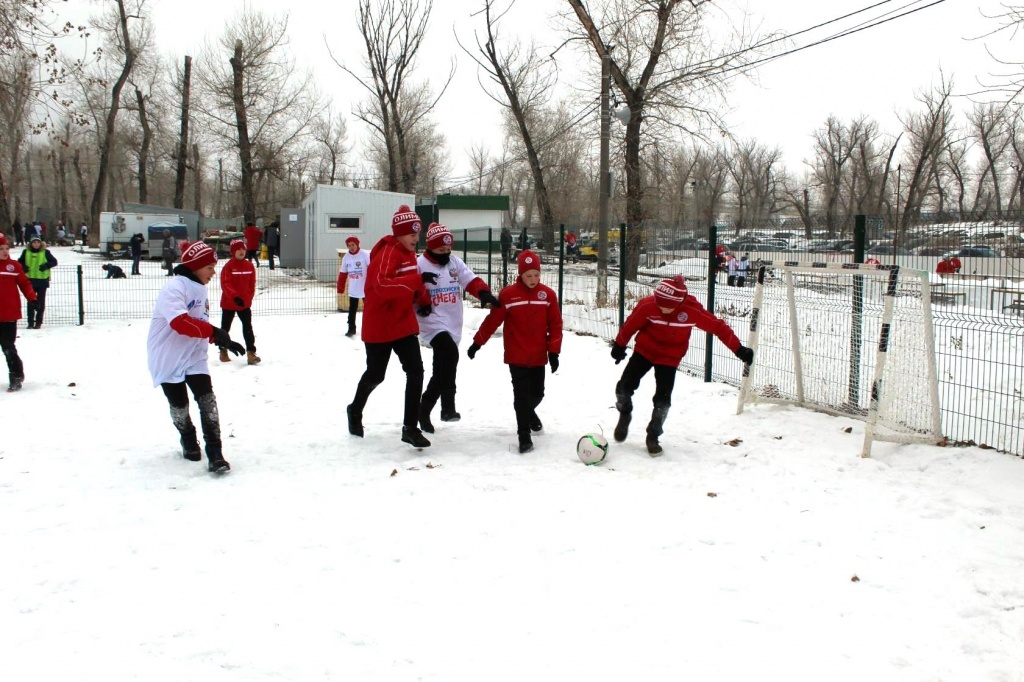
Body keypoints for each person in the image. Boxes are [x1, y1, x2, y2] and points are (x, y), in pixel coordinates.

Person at [610, 276, 754, 455]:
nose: (662, 308)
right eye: (659, 304)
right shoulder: (648, 305)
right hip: (644, 352)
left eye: (667, 306)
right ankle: (625, 413)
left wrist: (739, 350)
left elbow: (718, 327)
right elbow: (630, 325)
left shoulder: (691, 311)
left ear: (679, 303)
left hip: (669, 358)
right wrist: (619, 345)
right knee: (623, 389)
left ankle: (653, 435)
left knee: (663, 400)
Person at [147, 240, 245, 473]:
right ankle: (188, 439)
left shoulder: (200, 287)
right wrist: (214, 331)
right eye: (210, 267)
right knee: (179, 405)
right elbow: (180, 323)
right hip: (168, 355)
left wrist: (221, 339)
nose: (214, 272)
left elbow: (198, 323)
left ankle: (215, 452)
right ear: (196, 266)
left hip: (194, 355)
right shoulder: (174, 288)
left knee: (207, 400)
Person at [347, 205, 433, 448]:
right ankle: (355, 409)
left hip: (403, 322)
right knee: (376, 374)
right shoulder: (388, 252)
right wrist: (416, 281)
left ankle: (410, 427)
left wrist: (424, 301)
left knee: (415, 371)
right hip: (380, 325)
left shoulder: (408, 254)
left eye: (418, 234)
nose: (416, 239)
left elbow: (411, 283)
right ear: (398, 233)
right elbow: (380, 286)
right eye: (411, 234)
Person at [467, 249, 562, 454]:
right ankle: (524, 437)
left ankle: (529, 413)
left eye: (536, 275)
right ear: (520, 274)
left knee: (537, 393)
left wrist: (554, 352)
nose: (533, 279)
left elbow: (555, 324)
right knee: (521, 395)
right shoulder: (508, 295)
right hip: (516, 354)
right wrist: (477, 343)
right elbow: (493, 320)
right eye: (528, 275)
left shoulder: (548, 295)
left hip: (538, 354)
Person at [416, 222, 500, 433]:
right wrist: (421, 298)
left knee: (441, 369)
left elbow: (470, 280)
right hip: (430, 321)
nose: (445, 254)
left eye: (448, 250)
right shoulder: (420, 264)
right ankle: (446, 405)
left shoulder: (454, 263)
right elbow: (411, 287)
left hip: (453, 322)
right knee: (450, 355)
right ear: (430, 248)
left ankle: (428, 410)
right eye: (440, 250)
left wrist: (483, 293)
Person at [0, 235, 37, 391]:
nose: (5, 251)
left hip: (9, 314)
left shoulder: (13, 266)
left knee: (8, 347)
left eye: (7, 248)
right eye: (1, 249)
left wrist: (32, 298)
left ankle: (16, 376)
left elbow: (24, 283)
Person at [219, 240, 260, 365]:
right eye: (238, 249)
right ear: (233, 252)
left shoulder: (249, 266)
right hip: (229, 303)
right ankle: (223, 350)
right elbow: (226, 284)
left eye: (243, 249)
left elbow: (251, 284)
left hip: (244, 304)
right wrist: (235, 297)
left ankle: (251, 353)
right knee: (225, 328)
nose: (242, 251)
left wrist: (248, 298)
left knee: (248, 327)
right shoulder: (228, 267)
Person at [18, 235, 57, 329]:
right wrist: (23, 267)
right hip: (29, 280)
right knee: (30, 301)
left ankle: (39, 321)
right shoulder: (25, 252)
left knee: (40, 302)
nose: (36, 244)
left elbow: (54, 262)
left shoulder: (46, 252)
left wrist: (46, 265)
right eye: (34, 242)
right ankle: (30, 322)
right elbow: (19, 262)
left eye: (38, 242)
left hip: (42, 280)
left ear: (40, 243)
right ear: (31, 243)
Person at [337, 235, 370, 338]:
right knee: (352, 311)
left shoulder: (365, 254)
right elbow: (343, 273)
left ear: (357, 244)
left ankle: (369, 329)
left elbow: (372, 268)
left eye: (353, 244)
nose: (351, 247)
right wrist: (340, 287)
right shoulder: (346, 257)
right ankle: (351, 329)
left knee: (369, 311)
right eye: (349, 245)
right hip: (354, 289)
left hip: (366, 289)